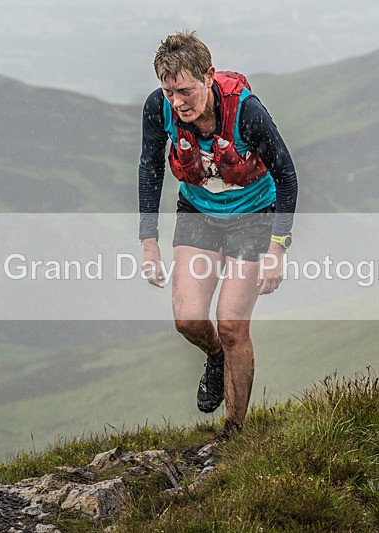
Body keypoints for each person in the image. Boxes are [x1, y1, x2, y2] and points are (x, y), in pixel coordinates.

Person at [138, 31, 298, 437]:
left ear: (208, 77)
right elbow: (150, 168)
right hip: (199, 213)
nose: (178, 102)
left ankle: (233, 432)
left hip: (253, 215)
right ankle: (215, 356)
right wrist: (149, 242)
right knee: (189, 320)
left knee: (231, 326)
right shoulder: (159, 108)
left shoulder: (246, 111)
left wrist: (278, 249)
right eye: (169, 91)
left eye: (186, 91)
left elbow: (287, 175)